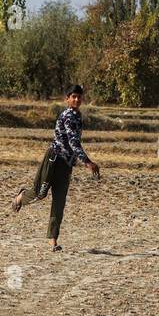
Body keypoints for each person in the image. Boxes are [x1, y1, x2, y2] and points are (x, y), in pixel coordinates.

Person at [10, 84, 100, 251]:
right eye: (73, 96)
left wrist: (78, 160)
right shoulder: (68, 116)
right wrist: (87, 162)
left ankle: (53, 240)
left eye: (79, 97)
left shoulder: (78, 116)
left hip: (66, 165)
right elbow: (73, 142)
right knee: (40, 194)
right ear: (67, 99)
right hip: (53, 159)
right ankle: (21, 196)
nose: (77, 99)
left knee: (59, 202)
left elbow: (74, 143)